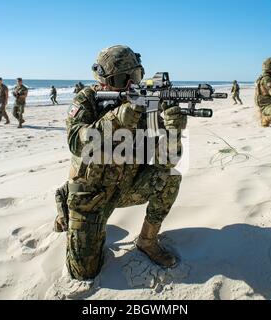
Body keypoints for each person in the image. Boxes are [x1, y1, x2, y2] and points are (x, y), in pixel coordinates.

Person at [54, 45, 186, 281]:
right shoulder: (87, 100)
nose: (129, 85)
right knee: (83, 273)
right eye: (121, 79)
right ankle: (65, 197)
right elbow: (76, 141)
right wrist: (117, 118)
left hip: (126, 186)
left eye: (135, 76)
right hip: (90, 194)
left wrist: (174, 130)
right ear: (103, 80)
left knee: (170, 177)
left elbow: (169, 159)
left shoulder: (147, 103)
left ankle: (146, 240)